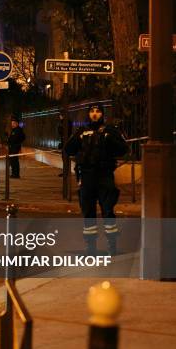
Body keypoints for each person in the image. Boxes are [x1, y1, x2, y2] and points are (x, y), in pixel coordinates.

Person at [64, 105, 128, 255]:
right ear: (88, 114)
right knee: (88, 213)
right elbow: (68, 149)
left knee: (108, 211)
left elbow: (124, 149)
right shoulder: (82, 131)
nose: (94, 114)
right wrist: (77, 139)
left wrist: (110, 139)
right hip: (87, 176)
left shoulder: (110, 130)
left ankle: (112, 245)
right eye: (92, 111)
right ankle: (90, 246)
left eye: (98, 111)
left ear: (102, 114)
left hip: (105, 175)